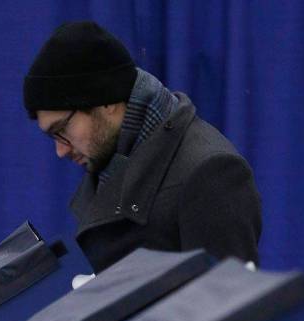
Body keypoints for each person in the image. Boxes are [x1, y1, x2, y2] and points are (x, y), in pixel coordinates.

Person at [23, 21, 262, 273]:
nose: (60, 151)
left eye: (62, 130)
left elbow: (228, 304)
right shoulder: (112, 161)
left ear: (106, 103)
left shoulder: (211, 172)